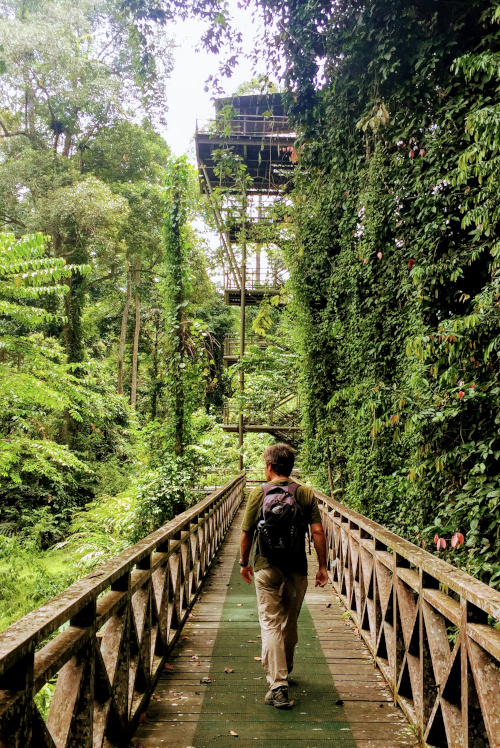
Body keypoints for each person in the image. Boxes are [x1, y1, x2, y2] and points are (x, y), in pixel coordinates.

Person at [239, 443, 328, 709]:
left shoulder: (259, 493)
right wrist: (323, 566)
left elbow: (245, 534)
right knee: (288, 622)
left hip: (265, 567)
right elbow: (318, 532)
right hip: (297, 568)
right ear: (290, 467)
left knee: (270, 623)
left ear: (269, 467)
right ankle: (284, 670)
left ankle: (278, 684)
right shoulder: (305, 494)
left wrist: (244, 563)